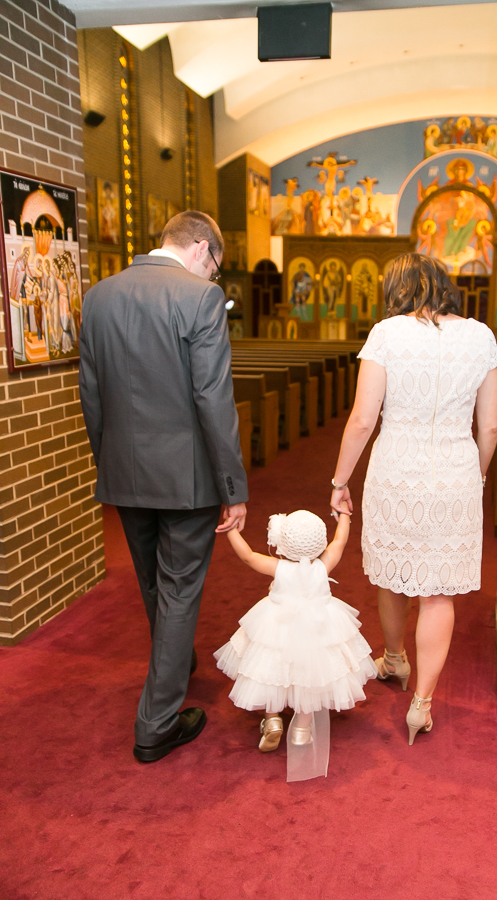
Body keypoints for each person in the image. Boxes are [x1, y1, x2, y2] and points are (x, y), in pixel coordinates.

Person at [79, 210, 248, 763]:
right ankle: (156, 724)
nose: (214, 277)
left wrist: (109, 462)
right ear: (202, 248)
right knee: (179, 588)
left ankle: (176, 658)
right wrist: (233, 485)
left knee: (154, 581)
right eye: (216, 267)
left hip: (125, 472)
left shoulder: (99, 295)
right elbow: (212, 399)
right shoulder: (199, 298)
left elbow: (92, 392)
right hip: (186, 479)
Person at [330, 252, 497, 746]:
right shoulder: (482, 336)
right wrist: (479, 473)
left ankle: (396, 658)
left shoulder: (387, 333)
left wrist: (340, 481)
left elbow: (363, 419)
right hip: (455, 473)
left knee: (393, 571)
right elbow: (489, 425)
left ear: (397, 288)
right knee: (438, 590)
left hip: (396, 472)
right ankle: (421, 703)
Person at [214, 507, 377, 781]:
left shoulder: (278, 567)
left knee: (271, 670)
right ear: (319, 542)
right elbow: (340, 542)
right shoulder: (323, 565)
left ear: (283, 542)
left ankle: (273, 718)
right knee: (309, 677)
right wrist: (345, 517)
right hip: (317, 628)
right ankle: (302, 728)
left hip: (277, 627)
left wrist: (231, 530)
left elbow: (248, 557)